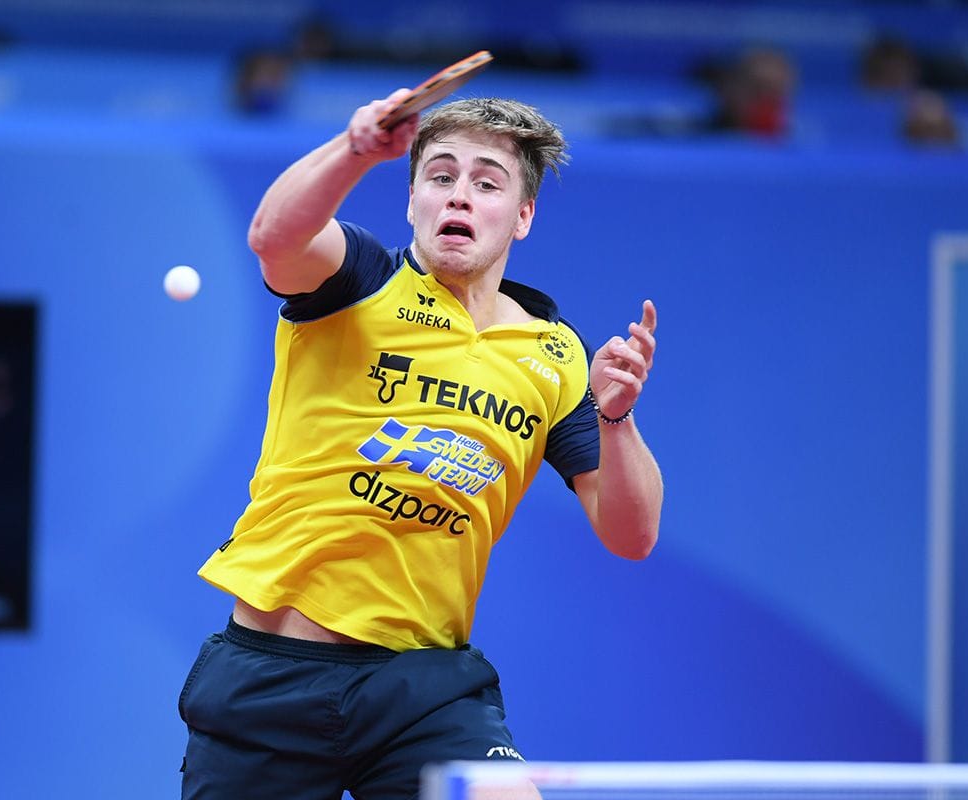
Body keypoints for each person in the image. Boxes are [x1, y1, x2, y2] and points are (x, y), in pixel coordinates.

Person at [177, 89, 664, 799]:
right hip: (271, 676)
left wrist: (617, 419)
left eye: (487, 183)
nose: (459, 195)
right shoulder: (359, 280)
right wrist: (355, 151)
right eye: (440, 176)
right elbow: (274, 239)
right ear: (411, 201)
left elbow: (632, 534)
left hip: (423, 690)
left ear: (523, 216)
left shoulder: (557, 355)